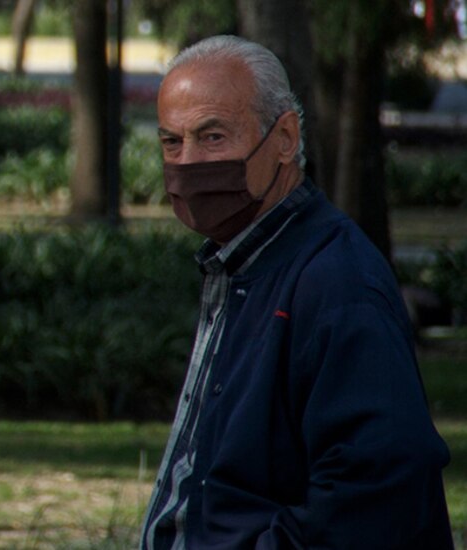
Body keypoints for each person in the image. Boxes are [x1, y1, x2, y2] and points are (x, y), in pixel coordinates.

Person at [141, 35, 453, 549]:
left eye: (213, 136)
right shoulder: (242, 266)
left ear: (285, 137)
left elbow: (378, 488)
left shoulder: (335, 280)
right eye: (172, 143)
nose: (188, 162)